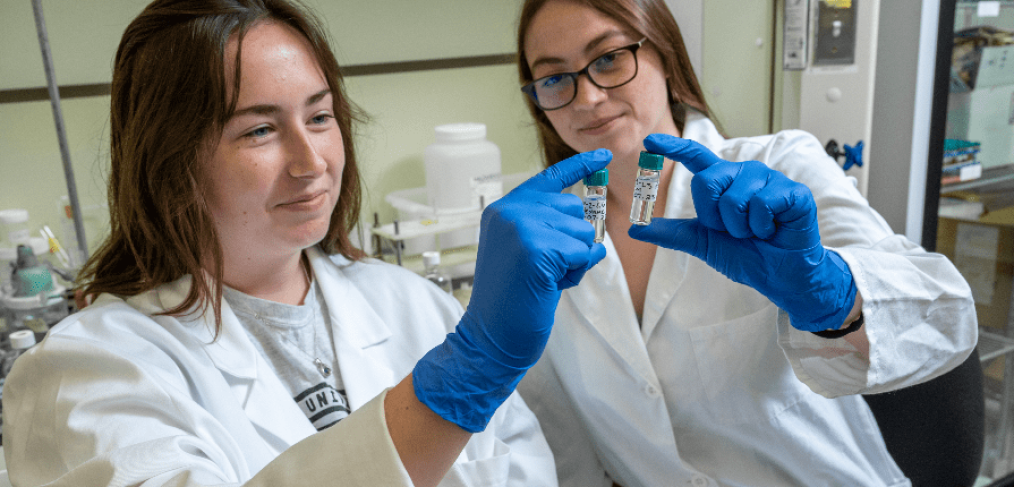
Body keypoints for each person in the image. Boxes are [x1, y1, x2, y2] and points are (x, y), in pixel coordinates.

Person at [1, 1, 611, 486]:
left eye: (320, 118)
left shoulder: (410, 303)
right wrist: (457, 384)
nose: (311, 160)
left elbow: (529, 468)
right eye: (260, 130)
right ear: (170, 159)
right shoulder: (85, 373)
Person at [513, 0, 979, 486]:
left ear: (666, 57)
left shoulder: (782, 165)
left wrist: (832, 293)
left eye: (607, 58)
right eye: (554, 78)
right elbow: (557, 440)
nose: (586, 98)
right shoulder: (545, 239)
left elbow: (948, 317)